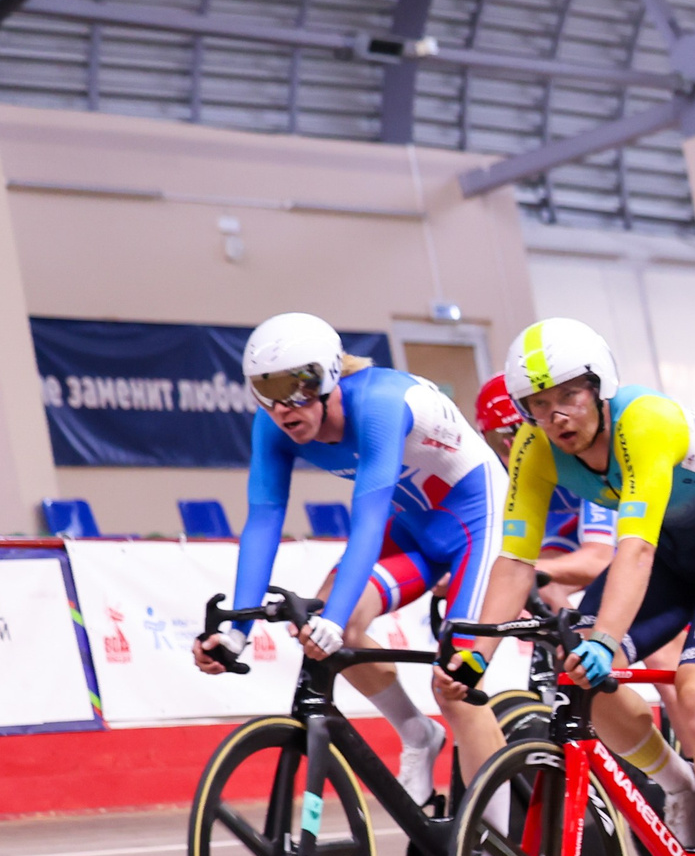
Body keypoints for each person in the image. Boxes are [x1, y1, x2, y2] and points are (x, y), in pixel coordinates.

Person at [440, 318, 695, 856]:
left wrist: (604, 638)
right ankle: (677, 784)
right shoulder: (532, 449)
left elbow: (633, 552)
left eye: (568, 397)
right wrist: (474, 654)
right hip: (669, 558)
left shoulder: (644, 421)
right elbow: (515, 562)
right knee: (580, 680)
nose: (557, 418)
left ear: (600, 388)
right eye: (539, 407)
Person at [192, 312, 507, 811]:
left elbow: (366, 521)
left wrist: (334, 620)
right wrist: (235, 632)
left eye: (300, 385)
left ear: (330, 376)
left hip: (476, 519)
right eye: (266, 390)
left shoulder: (380, 404)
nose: (284, 405)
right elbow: (263, 522)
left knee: (455, 683)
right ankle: (417, 733)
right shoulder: (272, 426)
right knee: (327, 622)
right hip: (413, 527)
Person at [474, 373, 614, 609]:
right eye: (501, 442)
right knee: (541, 585)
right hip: (578, 535)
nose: (516, 451)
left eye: (520, 435)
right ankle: (571, 642)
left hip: (650, 534)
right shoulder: (511, 474)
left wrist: (523, 571)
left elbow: (600, 559)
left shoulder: (586, 458)